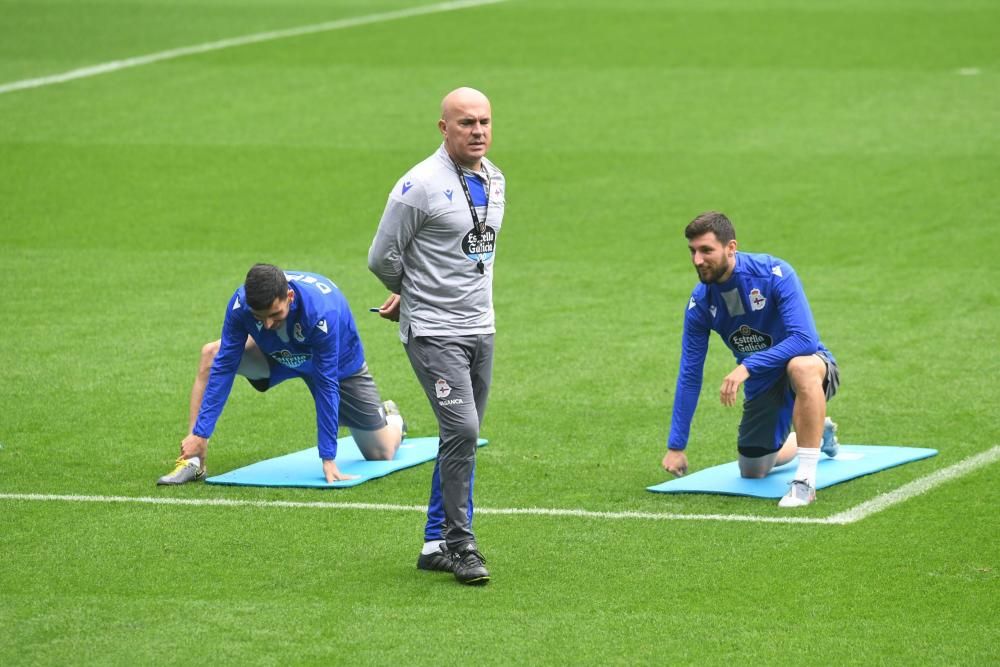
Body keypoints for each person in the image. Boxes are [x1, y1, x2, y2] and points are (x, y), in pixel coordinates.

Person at [367, 87, 505, 585]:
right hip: (433, 332)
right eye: (466, 123)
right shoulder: (418, 186)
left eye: (485, 122)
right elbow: (381, 256)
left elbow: (473, 254)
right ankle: (461, 544)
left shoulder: (495, 178)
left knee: (457, 439)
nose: (478, 131)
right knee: (464, 431)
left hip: (480, 326)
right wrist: (412, 293)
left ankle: (432, 543)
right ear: (443, 128)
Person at [157, 264, 405, 485]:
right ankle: (193, 459)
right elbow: (225, 365)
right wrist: (201, 432)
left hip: (337, 364)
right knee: (212, 355)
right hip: (276, 355)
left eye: (275, 315)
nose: (267, 324)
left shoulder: (321, 312)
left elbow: (327, 384)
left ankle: (393, 418)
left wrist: (328, 457)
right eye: (259, 318)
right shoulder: (240, 304)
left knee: (380, 453)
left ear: (289, 296)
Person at [662, 212, 841, 507]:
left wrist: (747, 366)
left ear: (731, 248)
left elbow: (804, 340)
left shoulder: (774, 273)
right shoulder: (701, 304)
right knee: (753, 469)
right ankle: (817, 432)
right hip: (763, 384)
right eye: (692, 251)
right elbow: (690, 374)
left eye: (706, 250)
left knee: (800, 366)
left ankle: (805, 482)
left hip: (812, 366)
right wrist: (676, 445)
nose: (697, 260)